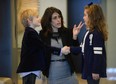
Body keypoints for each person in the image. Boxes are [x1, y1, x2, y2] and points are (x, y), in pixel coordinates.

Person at [16, 9, 70, 84]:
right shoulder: (30, 33)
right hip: (29, 69)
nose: (40, 18)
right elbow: (43, 47)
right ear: (29, 20)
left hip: (30, 68)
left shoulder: (31, 32)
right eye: (37, 17)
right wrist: (60, 51)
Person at [40, 7, 84, 84]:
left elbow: (76, 52)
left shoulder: (66, 32)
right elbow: (44, 51)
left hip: (69, 72)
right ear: (49, 20)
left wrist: (74, 37)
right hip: (53, 73)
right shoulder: (43, 34)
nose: (58, 20)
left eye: (59, 16)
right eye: (55, 18)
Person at [70, 3, 108, 84]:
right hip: (88, 67)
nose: (83, 17)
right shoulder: (89, 32)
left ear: (92, 17)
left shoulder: (96, 33)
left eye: (85, 15)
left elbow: (98, 54)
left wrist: (96, 70)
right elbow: (81, 48)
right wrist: (73, 39)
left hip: (93, 70)